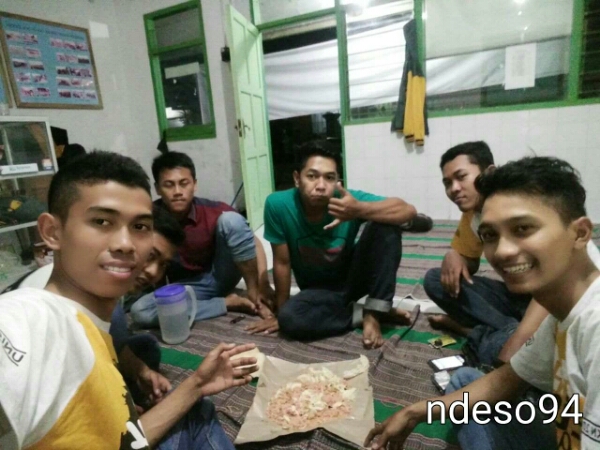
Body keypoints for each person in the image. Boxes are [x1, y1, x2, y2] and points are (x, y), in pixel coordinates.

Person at [0, 151, 257, 449]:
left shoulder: (94, 322)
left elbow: (125, 442)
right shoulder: (29, 318)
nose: (125, 244)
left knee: (193, 403)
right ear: (52, 232)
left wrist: (197, 384)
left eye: (140, 227)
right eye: (102, 221)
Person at [365, 157, 600, 450]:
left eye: (523, 229)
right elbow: (507, 380)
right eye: (490, 235)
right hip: (566, 422)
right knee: (465, 380)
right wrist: (415, 412)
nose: (502, 251)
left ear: (580, 233)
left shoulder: (594, 324)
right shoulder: (563, 308)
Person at [247, 140, 416, 349]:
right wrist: (280, 315)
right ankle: (364, 314)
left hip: (354, 279)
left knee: (386, 224)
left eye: (329, 178)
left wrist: (359, 209)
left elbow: (408, 211)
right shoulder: (278, 205)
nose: (321, 186)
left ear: (337, 181)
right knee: (291, 319)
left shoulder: (346, 201)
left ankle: (374, 313)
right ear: (297, 179)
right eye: (312, 176)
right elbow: (282, 263)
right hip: (317, 292)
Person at [131, 152, 273, 328]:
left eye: (184, 184)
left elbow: (254, 243)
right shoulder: (149, 218)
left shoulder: (212, 210)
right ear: (158, 189)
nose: (177, 192)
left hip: (221, 275)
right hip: (187, 286)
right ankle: (227, 303)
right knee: (141, 311)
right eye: (169, 185)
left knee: (232, 221)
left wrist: (262, 284)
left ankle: (253, 294)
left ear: (195, 185)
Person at [424, 142, 532, 365]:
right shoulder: (474, 214)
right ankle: (506, 331)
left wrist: (519, 339)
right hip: (516, 296)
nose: (454, 188)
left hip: (550, 301)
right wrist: (454, 256)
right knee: (435, 279)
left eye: (461, 177)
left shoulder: (523, 207)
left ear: (489, 173)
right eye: (447, 183)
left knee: (498, 352)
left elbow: (556, 282)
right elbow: (470, 263)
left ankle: (482, 332)